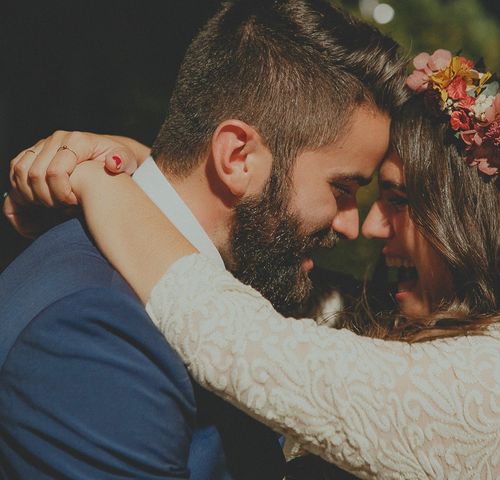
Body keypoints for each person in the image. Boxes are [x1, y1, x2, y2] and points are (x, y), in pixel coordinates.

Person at [10, 52, 500, 477]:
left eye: (396, 200)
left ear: (475, 220)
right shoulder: (467, 350)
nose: (365, 225)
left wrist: (107, 184)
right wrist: (161, 174)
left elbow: (237, 338)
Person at [0, 1, 406, 478]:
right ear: (236, 157)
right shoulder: (94, 330)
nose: (350, 225)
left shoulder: (241, 275)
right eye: (342, 188)